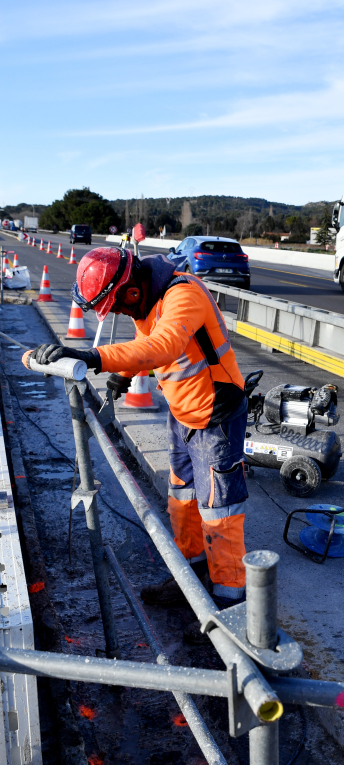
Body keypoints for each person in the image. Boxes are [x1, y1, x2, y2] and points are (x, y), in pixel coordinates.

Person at [31, 246, 248, 643]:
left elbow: (162, 346)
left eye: (116, 306)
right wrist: (123, 374)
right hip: (182, 411)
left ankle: (228, 607)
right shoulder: (147, 302)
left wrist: (92, 357)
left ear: (131, 291)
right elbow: (145, 342)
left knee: (220, 513)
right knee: (182, 500)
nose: (117, 313)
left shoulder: (183, 295)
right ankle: (190, 577)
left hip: (216, 416)